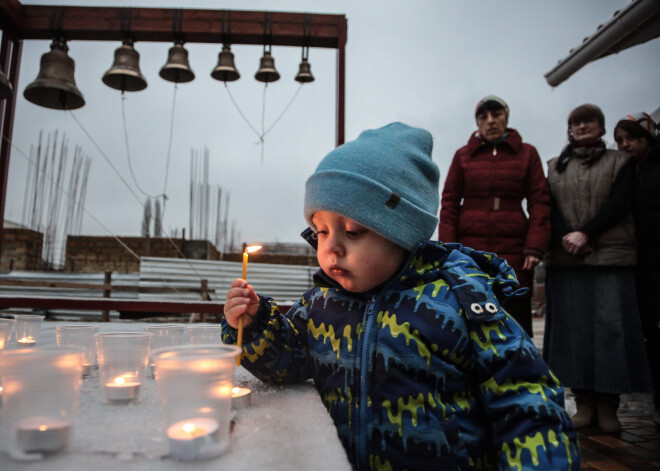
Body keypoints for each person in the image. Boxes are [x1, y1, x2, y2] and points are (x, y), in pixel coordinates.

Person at [222, 122, 579, 470]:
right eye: (321, 231)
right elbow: (289, 364)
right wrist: (256, 326)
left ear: (402, 233)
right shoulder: (320, 305)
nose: (332, 248)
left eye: (353, 231)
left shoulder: (459, 302)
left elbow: (523, 395)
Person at [543, 104, 652, 434]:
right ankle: (584, 403)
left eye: (588, 120)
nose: (582, 126)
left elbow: (619, 204)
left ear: (601, 127)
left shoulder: (621, 162)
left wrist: (587, 233)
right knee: (573, 334)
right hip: (566, 261)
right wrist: (567, 237)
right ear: (569, 129)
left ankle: (608, 406)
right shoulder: (553, 167)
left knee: (611, 332)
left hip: (610, 259)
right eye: (576, 122)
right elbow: (549, 207)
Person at [439, 95, 550, 336]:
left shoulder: (527, 153)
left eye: (496, 114)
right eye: (483, 116)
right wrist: (449, 249)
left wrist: (535, 247)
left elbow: (539, 201)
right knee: (471, 313)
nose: (490, 121)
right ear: (477, 123)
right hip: (470, 250)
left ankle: (518, 370)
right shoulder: (463, 156)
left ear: (506, 118)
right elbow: (448, 203)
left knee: (515, 318)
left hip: (516, 249)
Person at [614, 112, 660, 430]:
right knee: (650, 332)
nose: (626, 145)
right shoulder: (628, 170)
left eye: (631, 138)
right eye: (620, 141)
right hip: (641, 261)